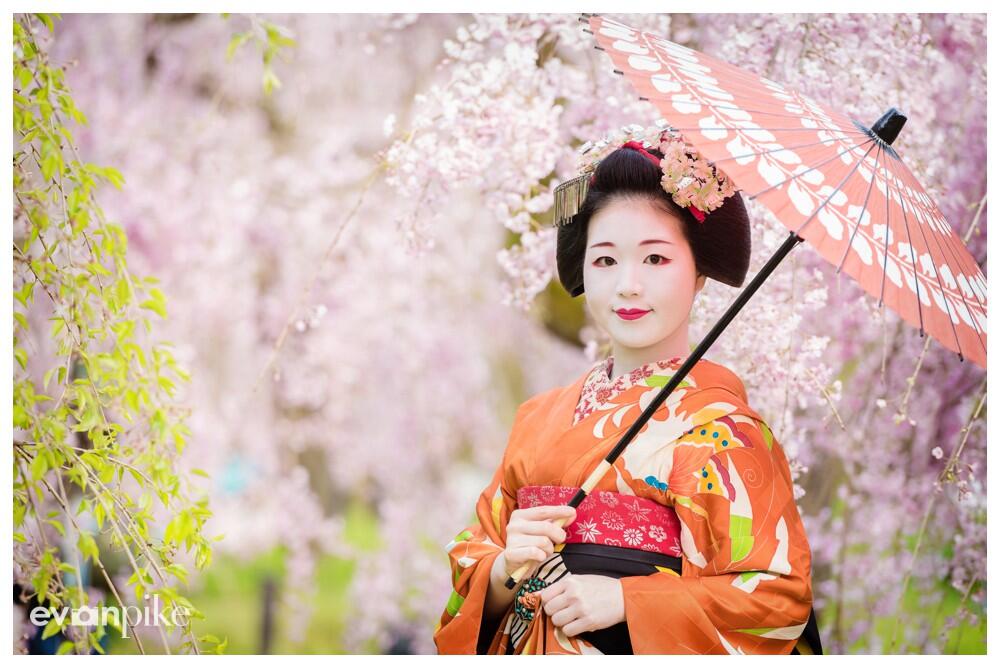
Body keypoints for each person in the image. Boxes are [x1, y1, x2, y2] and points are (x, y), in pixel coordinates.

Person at [433, 125, 820, 655]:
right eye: (606, 260)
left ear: (699, 273)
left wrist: (630, 601)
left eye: (656, 259)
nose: (628, 285)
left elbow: (776, 599)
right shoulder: (537, 418)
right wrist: (504, 568)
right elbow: (472, 559)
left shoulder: (725, 431)